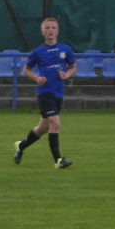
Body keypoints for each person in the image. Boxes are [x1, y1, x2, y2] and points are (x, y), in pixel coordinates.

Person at [13, 17, 76, 170]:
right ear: (42, 31)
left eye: (53, 27)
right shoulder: (38, 52)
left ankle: (20, 146)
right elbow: (26, 70)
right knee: (55, 122)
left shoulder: (65, 50)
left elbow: (73, 67)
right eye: (47, 28)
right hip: (45, 92)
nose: (50, 30)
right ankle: (58, 160)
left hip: (58, 93)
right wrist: (36, 78)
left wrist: (67, 75)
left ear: (57, 31)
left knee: (42, 128)